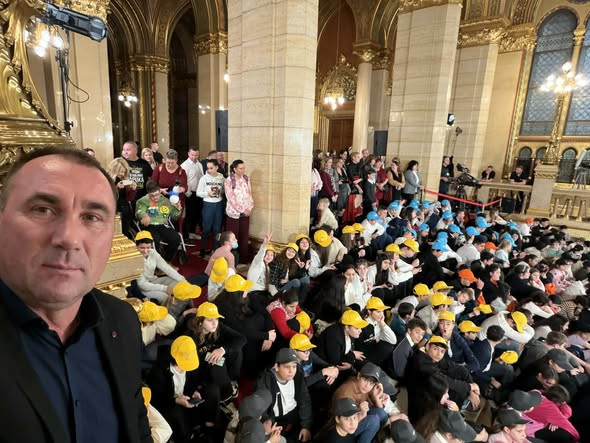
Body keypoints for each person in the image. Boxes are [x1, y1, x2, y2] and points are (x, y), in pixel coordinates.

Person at [0, 147, 150, 441]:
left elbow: (136, 427)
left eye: (92, 217)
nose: (69, 238)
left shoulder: (122, 320)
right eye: (42, 209)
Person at [256, 348, 313, 442]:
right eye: (287, 367)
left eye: (294, 366)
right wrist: (267, 421)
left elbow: (304, 397)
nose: (291, 371)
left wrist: (306, 426)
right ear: (276, 367)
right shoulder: (265, 381)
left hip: (295, 415)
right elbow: (261, 408)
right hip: (275, 420)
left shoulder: (298, 373)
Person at [135, 180, 182, 262]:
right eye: (152, 195)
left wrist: (178, 209)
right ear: (148, 193)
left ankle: (167, 260)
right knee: (154, 239)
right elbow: (139, 212)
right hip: (149, 225)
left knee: (176, 238)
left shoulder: (166, 201)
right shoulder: (142, 201)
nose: (155, 197)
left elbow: (175, 216)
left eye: (156, 194)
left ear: (160, 191)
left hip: (162, 225)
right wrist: (144, 215)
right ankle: (156, 263)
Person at [135, 230, 186, 303]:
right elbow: (142, 285)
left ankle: (182, 306)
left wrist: (183, 280)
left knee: (179, 284)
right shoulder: (134, 259)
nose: (145, 251)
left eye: (148, 247)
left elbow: (167, 268)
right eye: (142, 248)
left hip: (154, 281)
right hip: (143, 289)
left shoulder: (153, 252)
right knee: (165, 297)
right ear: (136, 246)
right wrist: (165, 289)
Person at [225, 159, 254, 264]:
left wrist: (250, 208)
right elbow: (231, 198)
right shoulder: (229, 181)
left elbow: (250, 194)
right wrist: (242, 210)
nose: (243, 170)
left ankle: (243, 258)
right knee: (233, 237)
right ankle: (231, 259)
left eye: (244, 168)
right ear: (235, 169)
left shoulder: (246, 178)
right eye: (241, 168)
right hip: (234, 213)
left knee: (244, 236)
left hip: (246, 213)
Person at [197, 158, 225, 256]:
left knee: (217, 228)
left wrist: (220, 192)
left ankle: (216, 248)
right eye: (208, 168)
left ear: (217, 167)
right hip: (208, 204)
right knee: (207, 228)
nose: (209, 170)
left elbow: (224, 189)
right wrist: (207, 193)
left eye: (211, 168)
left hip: (219, 204)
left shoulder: (221, 177)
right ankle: (202, 248)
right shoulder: (204, 178)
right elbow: (198, 193)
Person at [180, 147, 204, 239]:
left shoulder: (199, 164)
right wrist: (188, 193)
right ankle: (186, 236)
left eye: (196, 155)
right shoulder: (184, 165)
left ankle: (192, 232)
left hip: (199, 193)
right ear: (188, 154)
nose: (194, 157)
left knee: (196, 214)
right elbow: (183, 181)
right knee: (189, 215)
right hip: (189, 193)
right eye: (192, 155)